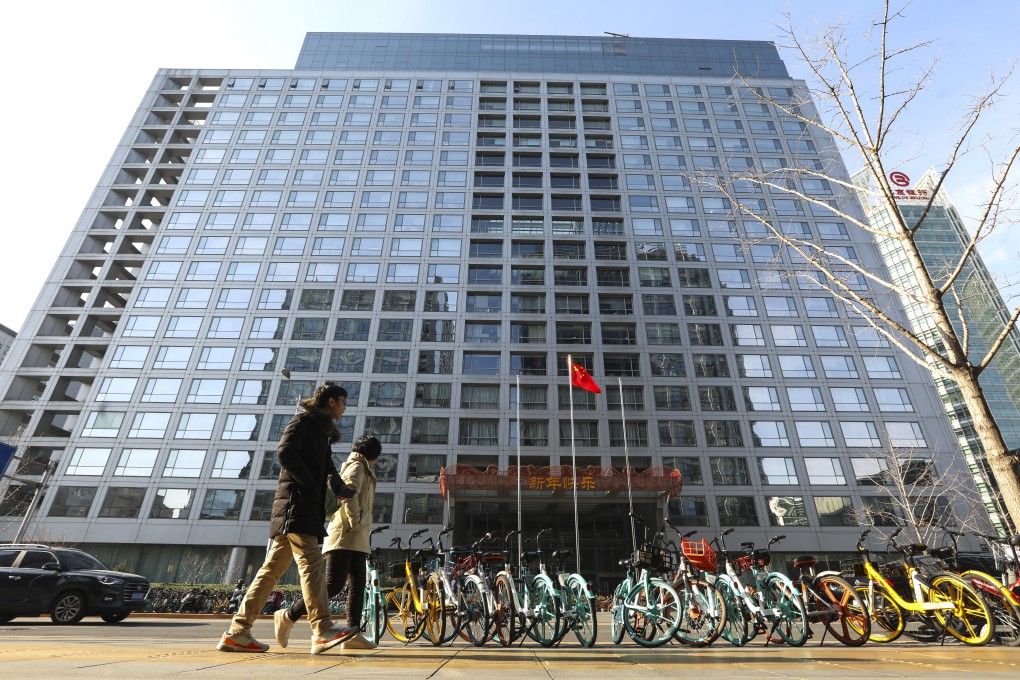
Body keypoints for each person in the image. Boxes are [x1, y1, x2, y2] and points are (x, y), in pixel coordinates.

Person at [217, 382, 357, 655]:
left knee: (270, 572)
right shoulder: (303, 421)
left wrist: (339, 487)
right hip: (296, 505)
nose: (344, 408)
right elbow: (285, 452)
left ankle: (237, 632)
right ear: (331, 401)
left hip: (302, 506)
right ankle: (322, 628)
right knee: (312, 564)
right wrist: (310, 485)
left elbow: (327, 466)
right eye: (343, 402)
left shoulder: (321, 432)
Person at [273, 434, 382, 650]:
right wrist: (354, 520)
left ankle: (352, 634)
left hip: (357, 536)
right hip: (345, 533)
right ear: (373, 455)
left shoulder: (364, 467)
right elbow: (349, 493)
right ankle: (288, 615)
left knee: (358, 585)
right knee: (332, 585)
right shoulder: (357, 466)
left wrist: (359, 524)